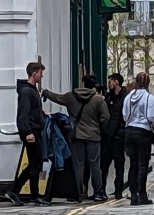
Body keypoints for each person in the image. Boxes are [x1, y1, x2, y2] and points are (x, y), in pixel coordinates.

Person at [43, 74, 109, 202]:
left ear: (82, 83)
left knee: (78, 165)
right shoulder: (98, 100)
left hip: (76, 135)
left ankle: (77, 193)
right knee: (95, 164)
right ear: (94, 85)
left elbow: (56, 97)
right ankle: (98, 192)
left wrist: (45, 92)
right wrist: (98, 127)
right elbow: (106, 117)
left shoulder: (70, 97)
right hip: (93, 135)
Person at [5, 62, 49, 206]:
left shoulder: (32, 90)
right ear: (34, 73)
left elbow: (33, 110)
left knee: (35, 163)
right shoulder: (26, 92)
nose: (42, 76)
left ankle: (34, 195)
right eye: (40, 73)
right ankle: (15, 190)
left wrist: (43, 115)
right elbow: (23, 114)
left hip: (35, 129)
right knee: (34, 164)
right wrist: (28, 132)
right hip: (31, 131)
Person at [122, 71, 154, 205]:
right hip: (143, 132)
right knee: (143, 165)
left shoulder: (128, 97)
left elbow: (125, 115)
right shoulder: (149, 98)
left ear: (136, 82)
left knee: (133, 164)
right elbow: (152, 117)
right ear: (148, 83)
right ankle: (142, 195)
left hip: (129, 132)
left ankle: (133, 195)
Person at [101, 73, 128, 199]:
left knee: (119, 164)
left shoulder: (124, 97)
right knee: (104, 165)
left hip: (117, 137)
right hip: (108, 137)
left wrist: (112, 134)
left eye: (110, 81)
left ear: (116, 82)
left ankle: (118, 190)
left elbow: (118, 117)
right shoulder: (108, 97)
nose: (109, 84)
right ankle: (102, 190)